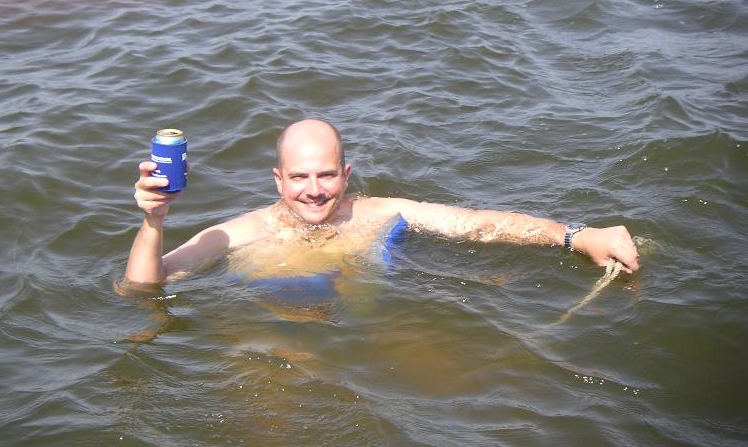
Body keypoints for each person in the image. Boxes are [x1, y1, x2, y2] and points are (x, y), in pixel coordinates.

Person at [124, 119, 639, 288]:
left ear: (345, 176)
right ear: (279, 181)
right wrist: (153, 221)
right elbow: (142, 287)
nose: (314, 190)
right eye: (299, 177)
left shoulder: (376, 211)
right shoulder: (240, 232)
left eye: (327, 175)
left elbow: (475, 224)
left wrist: (576, 235)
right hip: (270, 339)